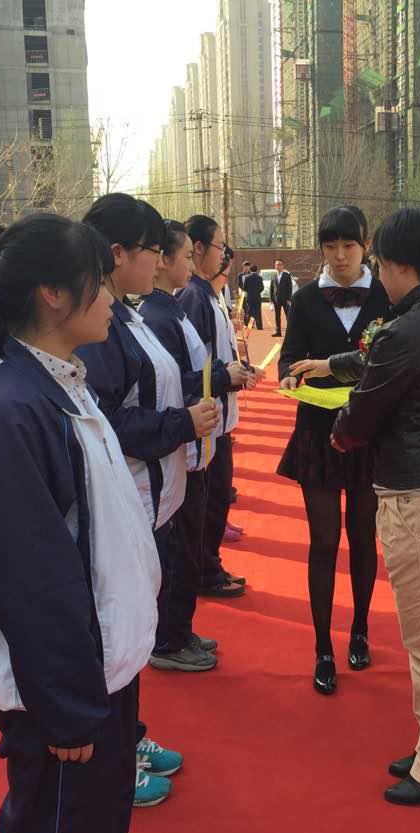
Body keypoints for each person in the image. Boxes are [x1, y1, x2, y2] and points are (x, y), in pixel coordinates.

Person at [0, 214, 157, 833]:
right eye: (100, 283)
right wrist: (67, 707)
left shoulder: (58, 383)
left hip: (99, 662)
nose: (113, 298)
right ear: (53, 294)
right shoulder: (11, 412)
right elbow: (30, 579)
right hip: (64, 687)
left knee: (95, 826)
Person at [294, 206, 420, 806]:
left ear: (397, 264)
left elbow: (359, 418)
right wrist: (333, 364)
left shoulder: (406, 329)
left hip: (418, 496)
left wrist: (341, 428)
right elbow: (377, 356)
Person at [77, 194, 219, 674]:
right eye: (153, 251)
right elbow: (106, 420)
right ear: (117, 254)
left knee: (144, 608)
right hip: (133, 493)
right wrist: (181, 424)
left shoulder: (126, 315)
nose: (159, 262)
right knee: (120, 632)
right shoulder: (101, 327)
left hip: (155, 489)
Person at [277, 205, 391, 696]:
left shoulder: (387, 297)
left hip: (369, 435)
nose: (341, 255)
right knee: (323, 542)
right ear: (321, 248)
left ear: (365, 245)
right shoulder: (305, 300)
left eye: (349, 245)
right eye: (331, 246)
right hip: (317, 433)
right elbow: (288, 358)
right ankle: (323, 646)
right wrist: (290, 375)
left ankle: (359, 629)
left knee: (364, 537)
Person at [139, 220, 245, 668]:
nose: (189, 263)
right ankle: (169, 639)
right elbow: (170, 383)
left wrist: (219, 375)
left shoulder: (173, 308)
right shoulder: (159, 314)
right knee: (179, 547)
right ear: (163, 260)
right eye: (183, 256)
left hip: (195, 442)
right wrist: (220, 378)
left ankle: (179, 628)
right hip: (181, 446)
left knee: (188, 540)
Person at [177, 215, 255, 599]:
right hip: (208, 418)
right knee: (210, 500)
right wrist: (227, 376)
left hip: (220, 416)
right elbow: (196, 364)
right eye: (220, 247)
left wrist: (237, 371)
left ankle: (209, 565)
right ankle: (205, 570)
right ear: (198, 248)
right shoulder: (193, 296)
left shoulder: (208, 293)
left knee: (217, 496)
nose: (224, 256)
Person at [271, 259, 292, 336]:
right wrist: (271, 300)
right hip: (276, 299)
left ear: (283, 266)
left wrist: (289, 299)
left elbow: (290, 287)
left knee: (288, 316)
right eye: (276, 264)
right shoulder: (273, 275)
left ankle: (290, 331)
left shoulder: (287, 275)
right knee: (277, 316)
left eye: (279, 264)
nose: (278, 266)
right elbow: (271, 288)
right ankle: (278, 332)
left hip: (285, 299)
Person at [242, 264, 264, 330]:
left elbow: (244, 288)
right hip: (257, 297)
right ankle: (259, 326)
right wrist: (257, 292)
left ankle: (248, 325)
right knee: (258, 312)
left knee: (249, 312)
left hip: (249, 297)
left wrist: (249, 292)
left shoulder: (247, 277)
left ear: (250, 269)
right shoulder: (259, 277)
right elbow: (262, 287)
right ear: (256, 270)